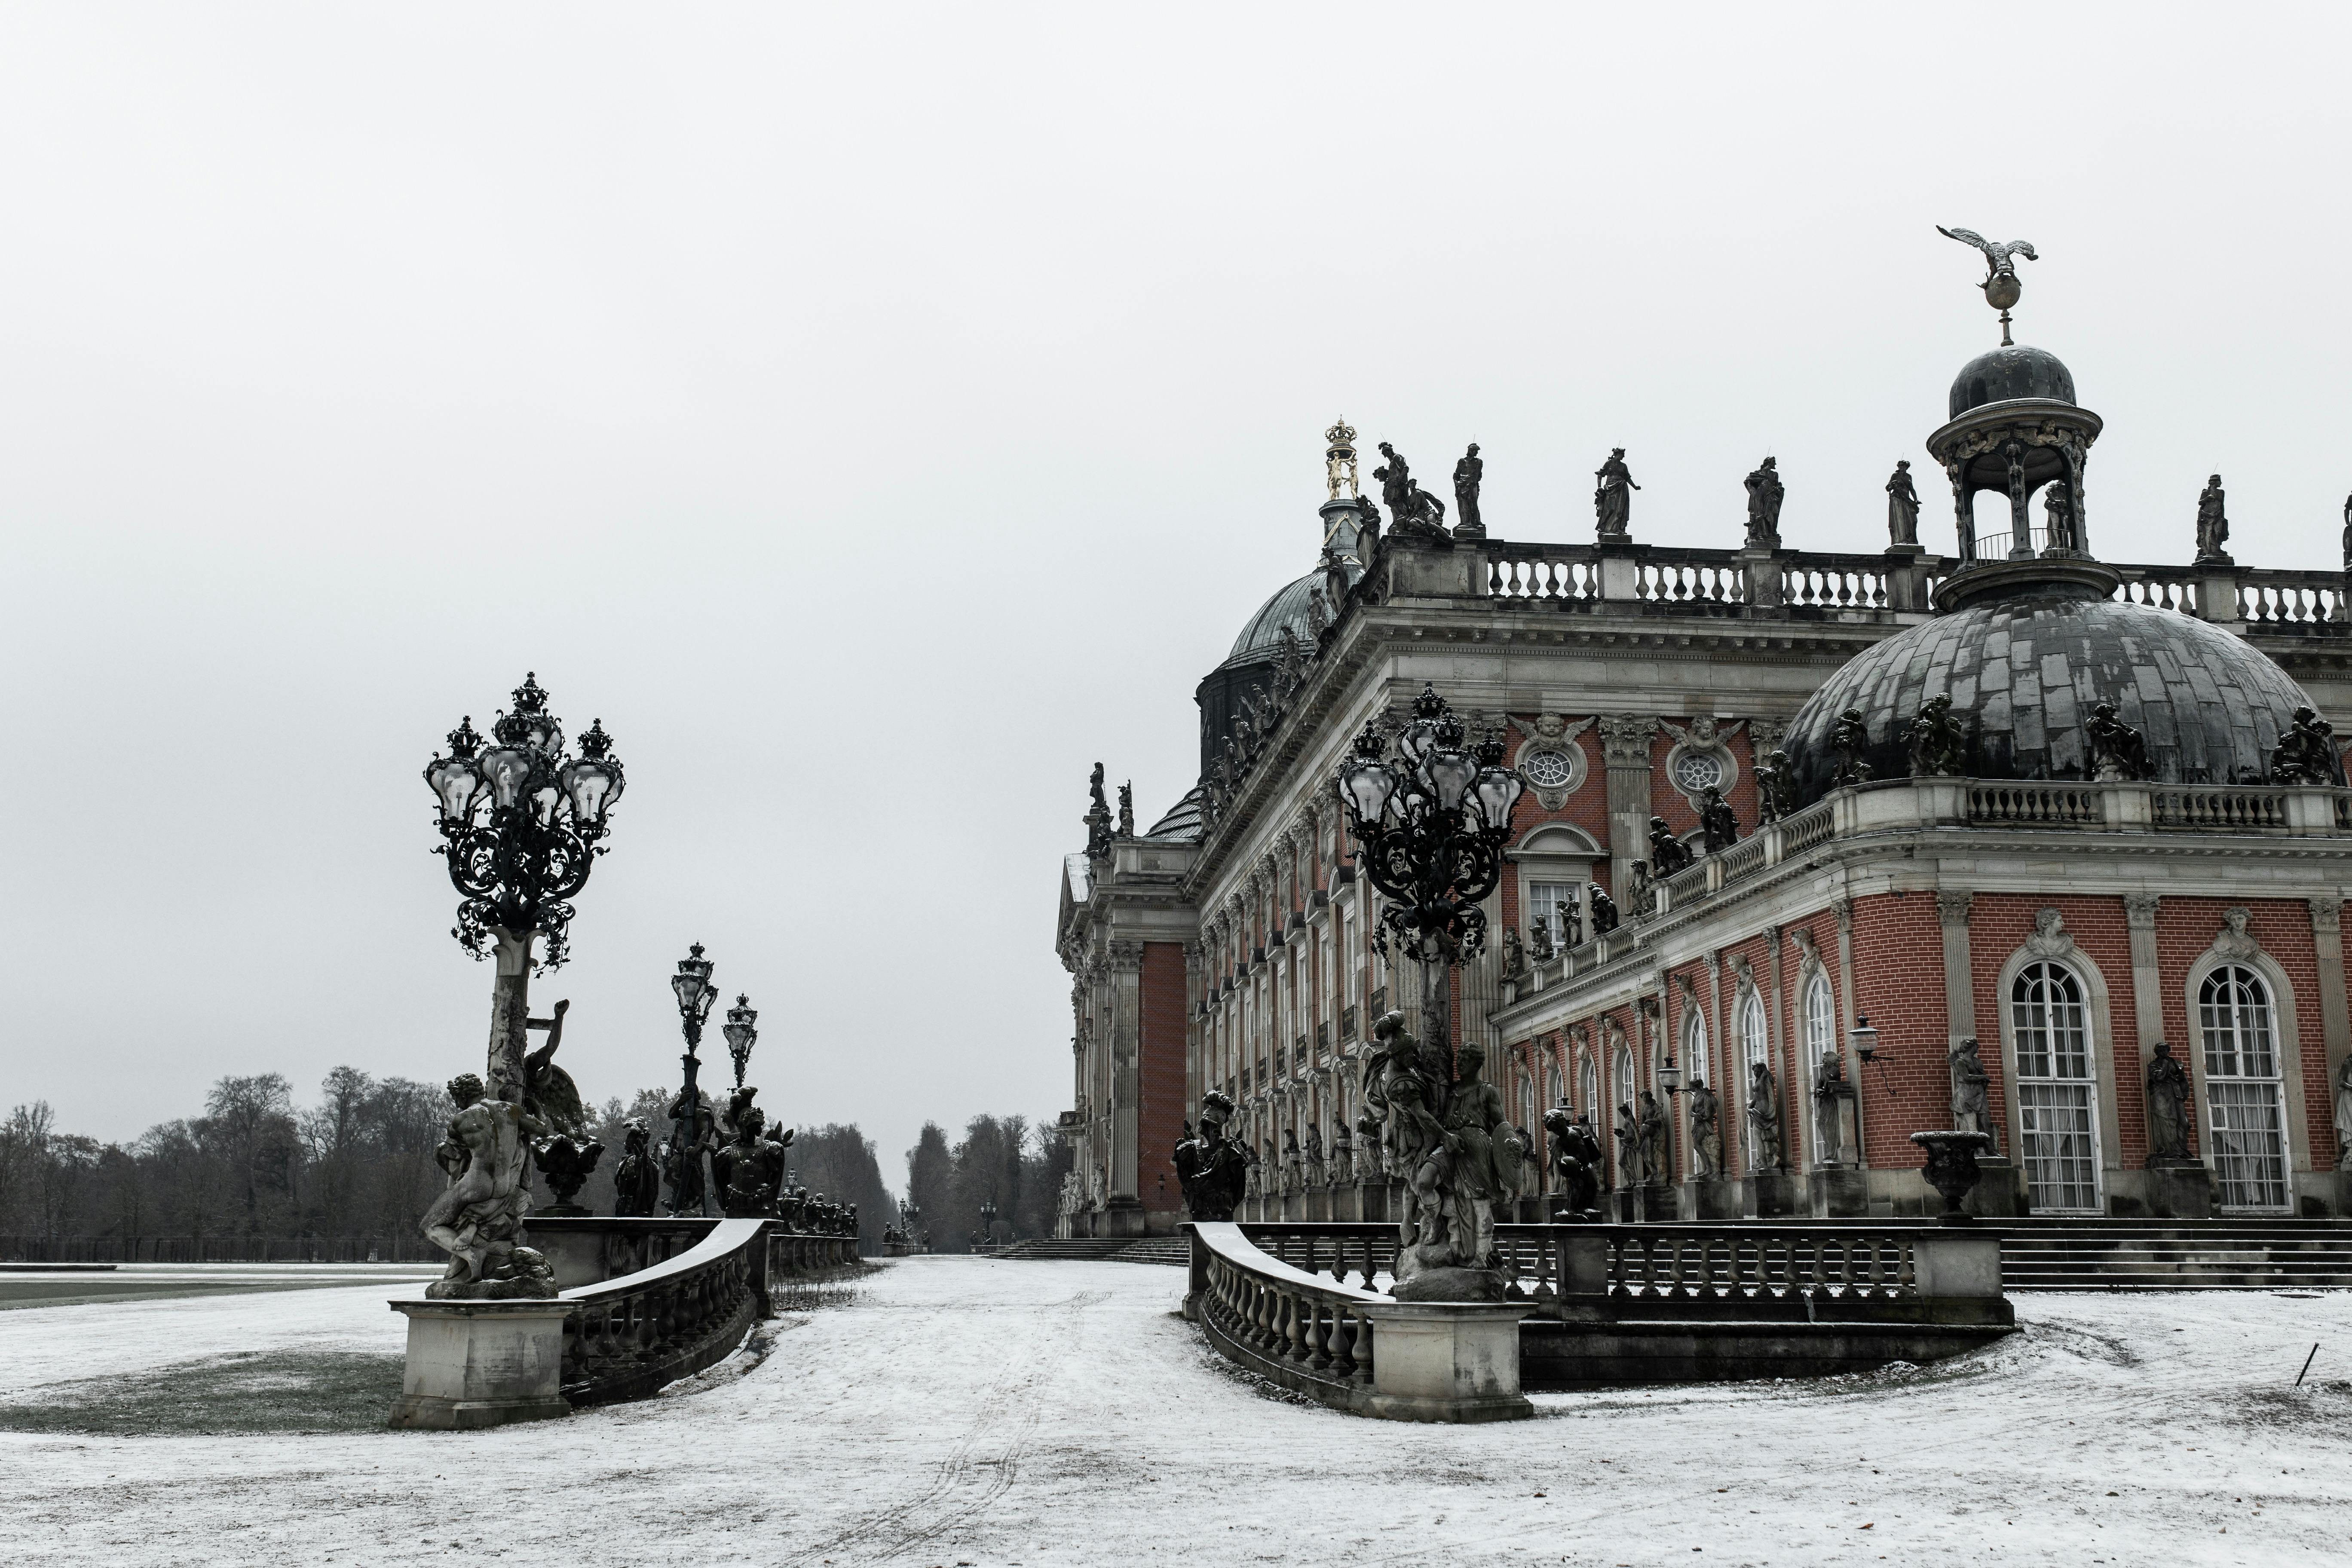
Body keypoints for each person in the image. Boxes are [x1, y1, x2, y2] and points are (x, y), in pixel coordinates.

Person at [1594, 448, 1638, 539]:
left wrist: (1635, 487)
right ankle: (1605, 528)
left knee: (1620, 510)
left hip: (1622, 488)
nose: (1624, 456)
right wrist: (1599, 486)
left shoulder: (1624, 466)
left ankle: (1618, 529)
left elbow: (1627, 478)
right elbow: (1600, 474)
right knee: (1610, 508)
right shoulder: (1609, 463)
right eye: (1623, 454)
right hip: (1610, 488)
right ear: (1618, 454)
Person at [1886, 460, 1920, 546]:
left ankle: (1911, 539)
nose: (1901, 468)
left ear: (1906, 467)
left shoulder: (1909, 476)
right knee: (1900, 518)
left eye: (1903, 466)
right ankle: (1901, 539)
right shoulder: (1895, 475)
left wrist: (1916, 500)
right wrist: (1893, 484)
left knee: (1913, 520)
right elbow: (1888, 488)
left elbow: (1912, 489)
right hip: (1897, 499)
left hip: (1907, 499)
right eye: (1900, 466)